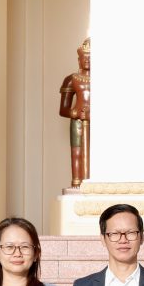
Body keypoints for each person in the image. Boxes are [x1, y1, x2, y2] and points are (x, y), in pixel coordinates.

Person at [59, 37, 91, 187]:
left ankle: (94, 182)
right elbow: (63, 109)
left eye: (91, 57)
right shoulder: (71, 79)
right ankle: (77, 182)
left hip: (95, 120)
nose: (87, 60)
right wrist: (76, 113)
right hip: (78, 121)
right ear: (79, 59)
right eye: (85, 57)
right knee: (77, 152)